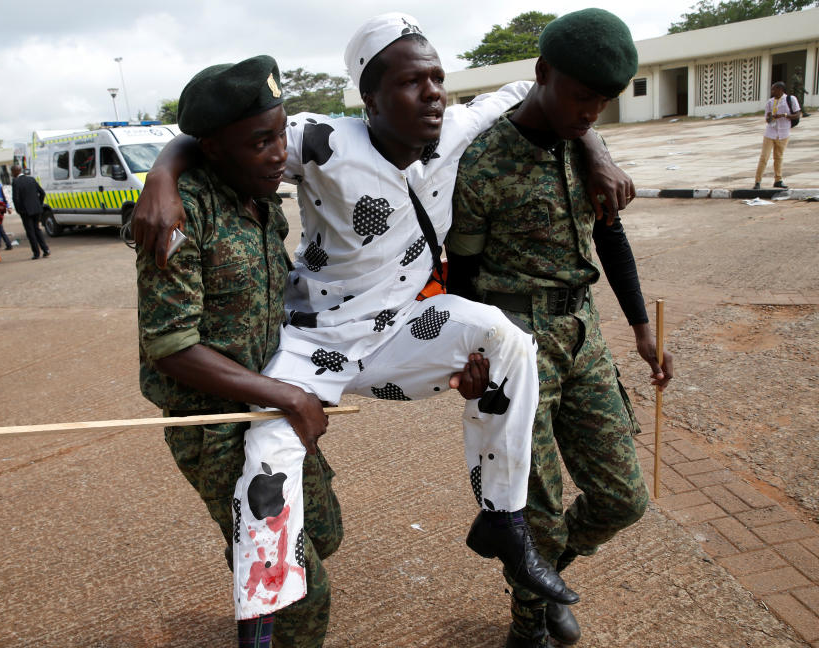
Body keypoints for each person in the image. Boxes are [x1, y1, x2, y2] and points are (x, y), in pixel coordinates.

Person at [132, 11, 637, 634]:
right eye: (410, 83)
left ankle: (504, 521)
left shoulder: (457, 127)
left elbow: (543, 96)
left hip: (401, 331)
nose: (432, 94)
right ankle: (262, 612)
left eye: (437, 79)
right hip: (317, 339)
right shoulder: (320, 140)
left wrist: (594, 147)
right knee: (270, 448)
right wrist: (163, 171)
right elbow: (222, 136)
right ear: (369, 98)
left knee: (506, 340)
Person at [446, 10, 674, 647]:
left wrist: (638, 328)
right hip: (514, 347)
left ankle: (543, 579)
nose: (592, 112)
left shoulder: (584, 145)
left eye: (604, 101)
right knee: (537, 512)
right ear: (541, 74)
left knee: (622, 498)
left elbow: (610, 233)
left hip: (581, 331)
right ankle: (528, 628)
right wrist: (466, 355)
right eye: (582, 97)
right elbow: (460, 274)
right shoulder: (484, 164)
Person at [137, 56, 348, 647]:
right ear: (211, 148)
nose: (279, 152)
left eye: (280, 133)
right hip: (218, 426)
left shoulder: (259, 197)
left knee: (324, 532)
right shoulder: (180, 214)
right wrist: (283, 394)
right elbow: (171, 346)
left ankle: (256, 598)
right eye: (260, 141)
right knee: (299, 584)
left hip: (273, 408)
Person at [753, 81, 801, 190]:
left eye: (774, 89)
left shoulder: (790, 99)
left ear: (780, 89)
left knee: (778, 157)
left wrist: (784, 115)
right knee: (764, 157)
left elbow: (798, 114)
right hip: (770, 132)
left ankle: (778, 180)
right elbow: (767, 119)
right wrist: (770, 117)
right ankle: (757, 181)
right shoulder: (770, 102)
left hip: (784, 133)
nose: (772, 92)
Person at [9, 165, 51, 259]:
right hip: (36, 209)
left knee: (30, 232)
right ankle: (46, 249)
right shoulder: (31, 179)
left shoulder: (16, 182)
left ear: (15, 171)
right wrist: (39, 204)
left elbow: (15, 198)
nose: (11, 174)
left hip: (25, 211)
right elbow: (42, 193)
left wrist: (19, 210)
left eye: (12, 172)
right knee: (37, 229)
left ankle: (36, 253)